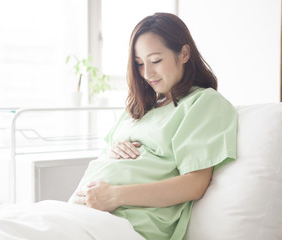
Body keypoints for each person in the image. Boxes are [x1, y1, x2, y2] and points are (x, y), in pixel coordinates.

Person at [69, 12, 238, 240]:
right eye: (139, 64)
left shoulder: (204, 102)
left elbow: (194, 184)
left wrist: (115, 195)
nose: (147, 74)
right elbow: (108, 159)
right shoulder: (141, 108)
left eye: (156, 61)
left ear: (184, 53)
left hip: (128, 221)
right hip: (81, 212)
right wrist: (113, 152)